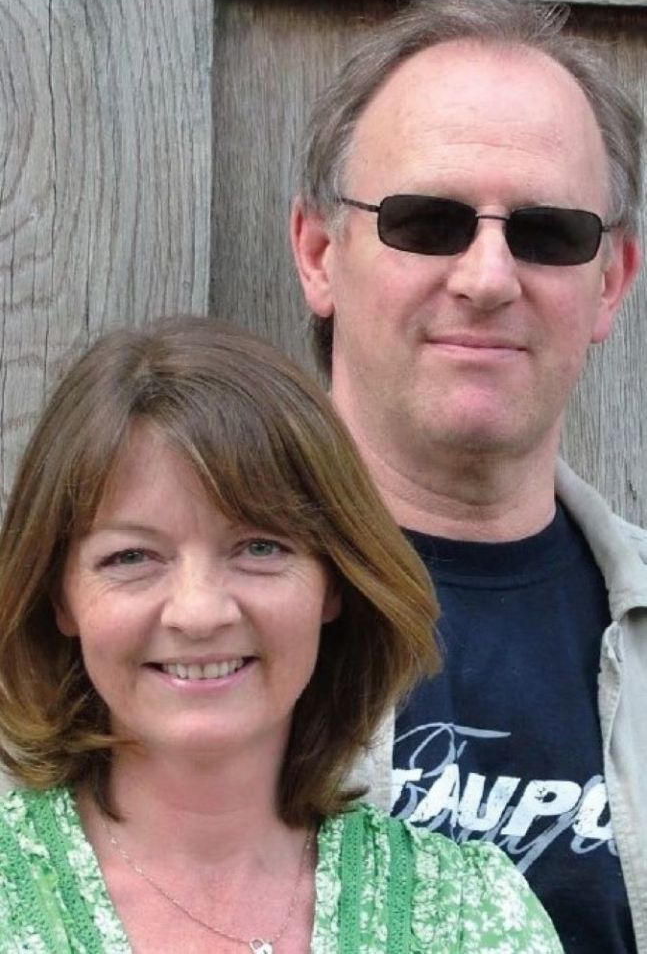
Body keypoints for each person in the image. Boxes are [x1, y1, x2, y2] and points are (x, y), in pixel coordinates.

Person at [0, 317, 562, 953]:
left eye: (259, 547)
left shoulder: (468, 912)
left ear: (335, 582)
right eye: (132, 557)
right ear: (60, 597)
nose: (199, 612)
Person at [290, 0, 646, 953]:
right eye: (428, 221)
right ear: (319, 254)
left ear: (609, 281)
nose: (487, 278)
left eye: (547, 233)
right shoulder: (163, 627)